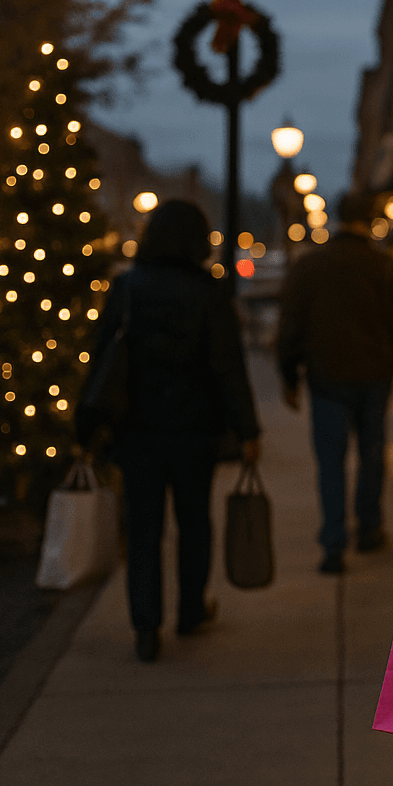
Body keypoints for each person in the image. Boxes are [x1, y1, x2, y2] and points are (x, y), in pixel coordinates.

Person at [81, 200, 261, 662]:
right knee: (194, 521)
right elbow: (227, 367)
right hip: (193, 430)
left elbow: (102, 358)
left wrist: (88, 426)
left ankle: (145, 626)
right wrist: (247, 429)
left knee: (142, 528)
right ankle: (190, 609)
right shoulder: (208, 291)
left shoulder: (126, 289)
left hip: (136, 430)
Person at [276, 192, 393, 574]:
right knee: (372, 451)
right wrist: (391, 362)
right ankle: (369, 528)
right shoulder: (384, 266)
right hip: (374, 375)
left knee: (330, 460)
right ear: (369, 219)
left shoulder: (311, 267)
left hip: (326, 376)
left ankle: (334, 544)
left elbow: (290, 325)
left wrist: (289, 376)